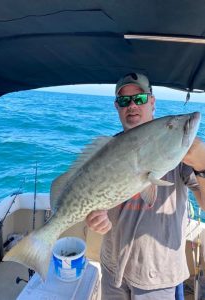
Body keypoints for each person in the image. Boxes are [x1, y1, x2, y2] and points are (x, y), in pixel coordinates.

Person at [86, 73, 205, 299]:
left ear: (152, 102)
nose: (131, 105)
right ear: (117, 107)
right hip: (112, 269)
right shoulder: (108, 150)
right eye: (124, 101)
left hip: (158, 275)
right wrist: (93, 216)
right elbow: (92, 198)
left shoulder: (177, 148)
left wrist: (202, 164)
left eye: (139, 98)